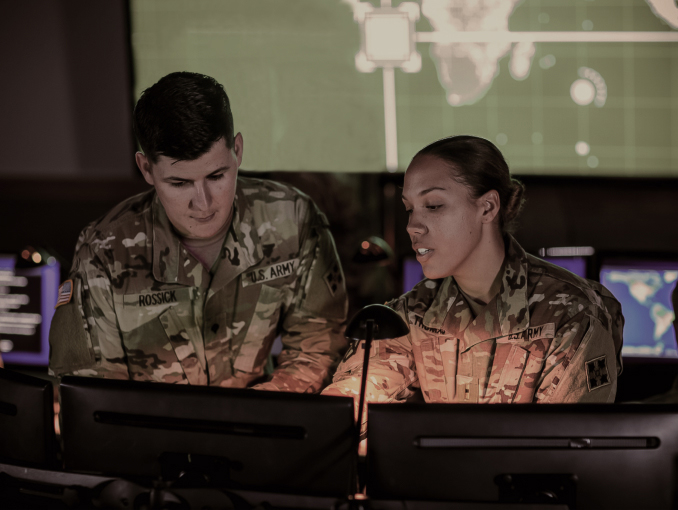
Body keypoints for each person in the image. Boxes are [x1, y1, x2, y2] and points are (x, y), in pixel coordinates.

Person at [48, 72, 348, 392]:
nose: (203, 203)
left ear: (238, 150)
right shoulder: (104, 252)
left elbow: (319, 347)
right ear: (146, 169)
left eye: (217, 175)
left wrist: (257, 413)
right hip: (150, 437)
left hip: (259, 429)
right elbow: (86, 393)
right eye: (180, 183)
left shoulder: (292, 220)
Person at [323, 135, 623, 422]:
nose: (412, 226)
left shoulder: (571, 313)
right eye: (409, 209)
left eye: (434, 205)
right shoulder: (411, 315)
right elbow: (350, 403)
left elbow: (564, 447)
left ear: (488, 207)